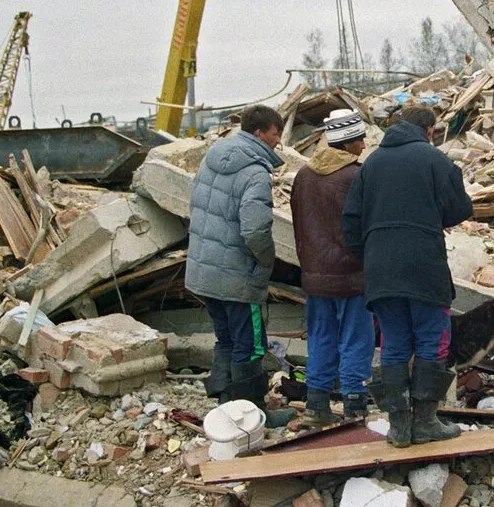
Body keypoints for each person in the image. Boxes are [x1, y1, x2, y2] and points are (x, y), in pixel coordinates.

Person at [342, 105, 473, 448]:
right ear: (428, 129)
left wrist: (371, 254)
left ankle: (399, 427)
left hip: (381, 269)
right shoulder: (434, 159)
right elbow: (461, 207)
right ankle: (426, 421)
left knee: (394, 342)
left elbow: (350, 221)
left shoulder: (370, 164)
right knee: (432, 339)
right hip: (424, 264)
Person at [185, 104, 294, 426]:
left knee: (226, 338)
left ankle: (223, 402)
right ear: (260, 133)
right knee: (251, 344)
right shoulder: (256, 172)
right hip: (238, 278)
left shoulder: (213, 159)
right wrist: (265, 261)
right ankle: (251, 412)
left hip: (205, 272)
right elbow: (255, 230)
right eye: (275, 134)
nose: (278, 141)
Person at [290, 108, 375, 424]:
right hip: (352, 276)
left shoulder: (303, 175)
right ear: (348, 143)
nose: (365, 144)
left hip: (315, 276)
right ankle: (354, 405)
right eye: (360, 139)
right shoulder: (356, 177)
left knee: (321, 336)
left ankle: (317, 404)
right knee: (356, 338)